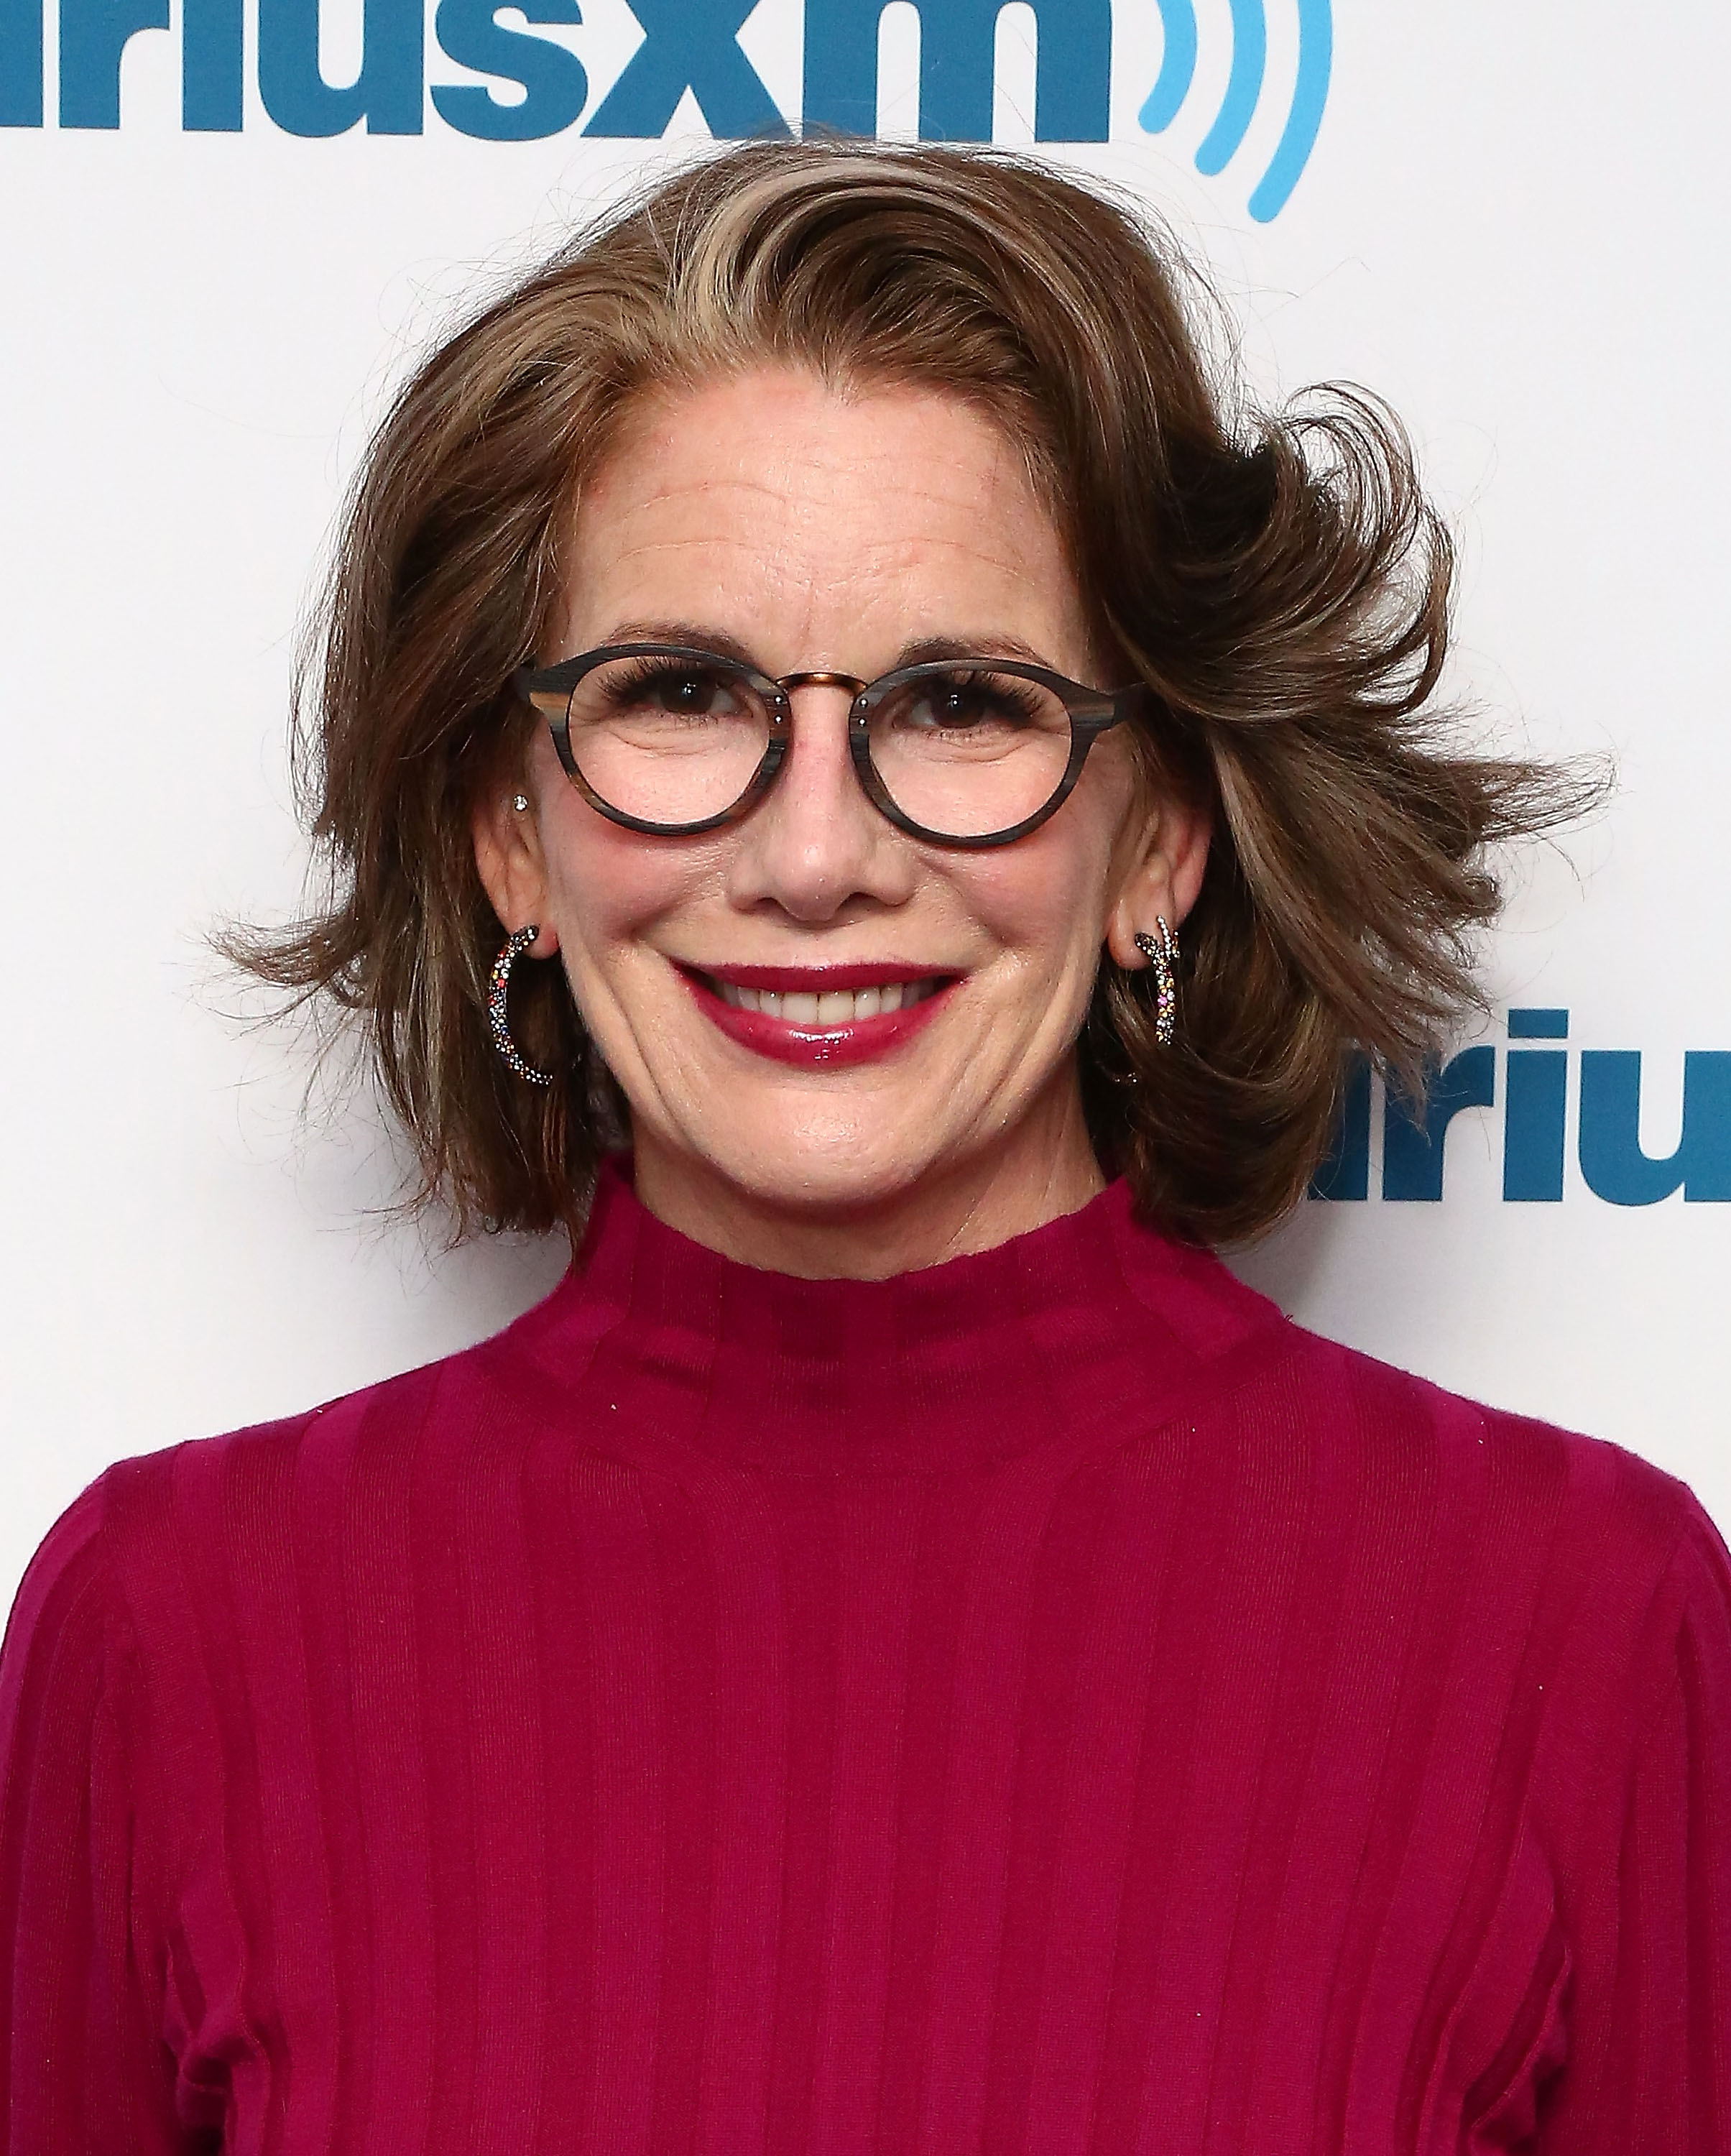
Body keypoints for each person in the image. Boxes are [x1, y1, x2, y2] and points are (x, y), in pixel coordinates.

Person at [1, 139, 1725, 2154]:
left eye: (962, 704)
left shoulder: (1578, 1631)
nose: (815, 855)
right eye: (677, 692)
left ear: (1154, 836)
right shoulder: (171, 1630)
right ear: (507, 834)